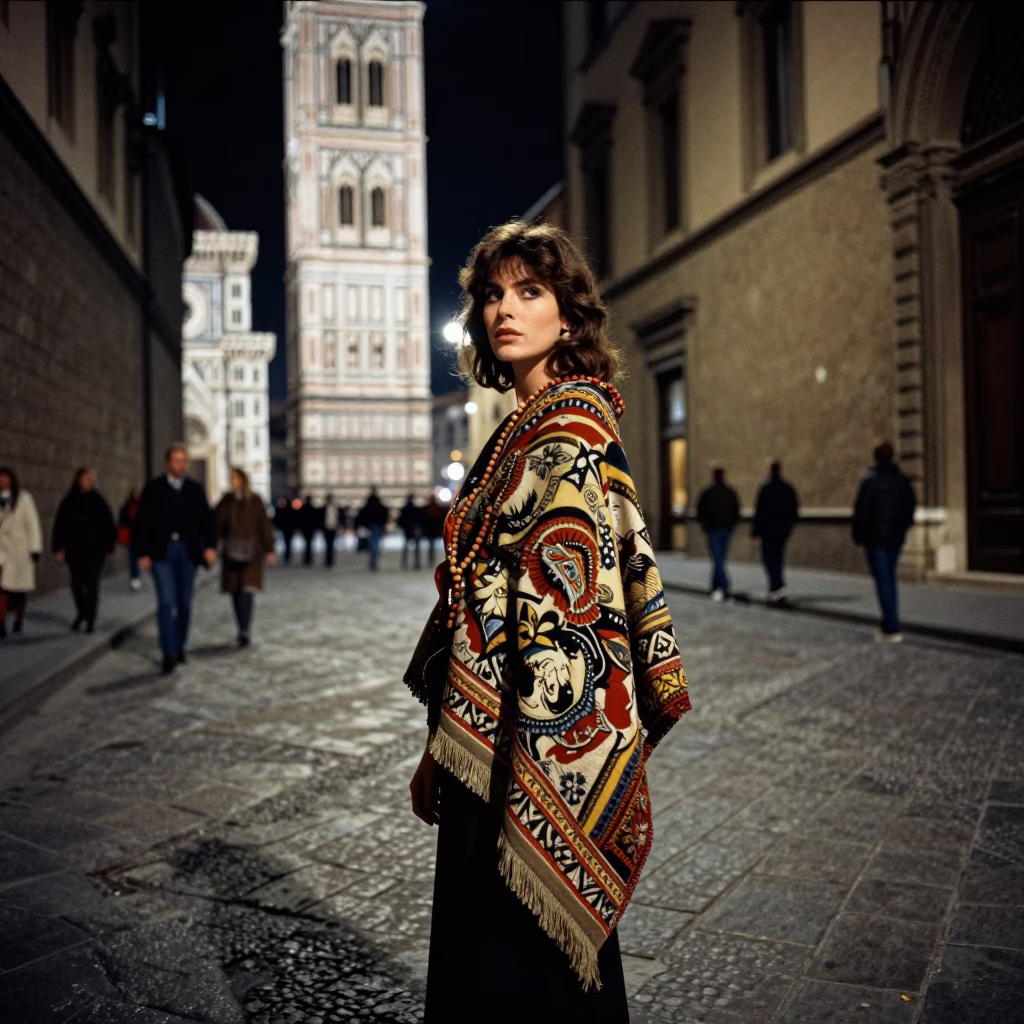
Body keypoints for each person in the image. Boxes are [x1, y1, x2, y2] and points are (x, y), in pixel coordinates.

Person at [404, 221, 691, 1022]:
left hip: (533, 742)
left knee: (523, 965)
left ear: (568, 315)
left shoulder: (569, 432)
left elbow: (576, 609)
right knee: (491, 958)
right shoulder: (521, 429)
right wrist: (440, 745)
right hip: (482, 735)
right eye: (494, 294)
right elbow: (479, 587)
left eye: (529, 291)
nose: (505, 309)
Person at [132, 444, 217, 674]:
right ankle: (168, 651)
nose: (180, 465)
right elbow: (142, 522)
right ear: (167, 463)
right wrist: (142, 553)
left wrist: (210, 547)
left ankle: (180, 644)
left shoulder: (195, 490)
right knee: (166, 601)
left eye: (183, 461)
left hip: (188, 552)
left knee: (184, 602)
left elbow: (207, 520)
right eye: (176, 460)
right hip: (162, 552)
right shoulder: (154, 489)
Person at [853, 441, 917, 642]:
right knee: (889, 577)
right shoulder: (902, 480)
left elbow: (862, 511)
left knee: (883, 580)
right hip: (895, 537)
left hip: (876, 538)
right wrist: (903, 528)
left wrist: (859, 535)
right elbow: (910, 506)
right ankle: (890, 621)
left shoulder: (870, 480)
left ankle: (891, 626)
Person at [215, 468, 276, 647]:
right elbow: (216, 523)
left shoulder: (255, 501)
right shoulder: (227, 501)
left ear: (242, 480)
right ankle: (241, 626)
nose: (232, 482)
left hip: (252, 553)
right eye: (231, 479)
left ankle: (245, 629)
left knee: (247, 590)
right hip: (231, 553)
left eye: (235, 478)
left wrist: (269, 549)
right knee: (235, 591)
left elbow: (264, 525)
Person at [51, 468, 117, 633]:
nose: (90, 482)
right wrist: (58, 548)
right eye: (87, 478)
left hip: (96, 550)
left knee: (92, 583)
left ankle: (90, 619)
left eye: (92, 479)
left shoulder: (99, 501)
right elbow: (60, 525)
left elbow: (109, 525)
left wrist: (110, 548)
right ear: (79, 480)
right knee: (77, 583)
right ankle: (82, 612)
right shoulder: (69, 501)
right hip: (75, 549)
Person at [0, 466, 42, 640]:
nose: (3, 481)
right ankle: (1, 623)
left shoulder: (24, 498)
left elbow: (32, 524)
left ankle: (18, 619)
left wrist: (35, 548)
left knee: (19, 591)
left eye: (6, 477)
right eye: (1, 477)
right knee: (2, 588)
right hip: (2, 551)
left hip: (20, 551)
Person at [751, 460, 800, 605]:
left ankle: (775, 586)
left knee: (769, 559)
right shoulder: (787, 488)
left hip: (768, 531)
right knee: (778, 557)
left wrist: (756, 531)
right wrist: (789, 525)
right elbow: (794, 508)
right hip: (781, 530)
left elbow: (759, 511)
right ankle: (777, 585)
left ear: (770, 470)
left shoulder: (765, 488)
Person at [696, 466, 741, 601]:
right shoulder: (729, 492)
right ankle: (716, 584)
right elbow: (736, 510)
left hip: (714, 530)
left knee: (717, 558)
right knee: (720, 557)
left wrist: (705, 526)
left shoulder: (708, 493)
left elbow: (700, 511)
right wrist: (731, 526)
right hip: (725, 529)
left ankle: (724, 585)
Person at [355, 488, 388, 571]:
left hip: (371, 525)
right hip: (375, 525)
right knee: (374, 543)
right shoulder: (377, 502)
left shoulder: (369, 502)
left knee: (373, 543)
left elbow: (362, 513)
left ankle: (372, 560)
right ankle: (373, 560)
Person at [118, 487, 143, 590]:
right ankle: (135, 577)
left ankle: (137, 576)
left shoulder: (142, 506)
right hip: (131, 537)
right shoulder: (127, 507)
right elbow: (122, 521)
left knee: (138, 557)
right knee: (133, 558)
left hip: (140, 536)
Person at [397, 493, 425, 570]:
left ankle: (405, 562)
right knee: (416, 547)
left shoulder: (404, 509)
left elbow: (400, 520)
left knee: (406, 546)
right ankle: (416, 562)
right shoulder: (415, 509)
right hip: (414, 529)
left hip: (407, 529)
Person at [422, 493, 446, 564]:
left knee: (431, 544)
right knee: (431, 544)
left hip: (431, 529)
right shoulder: (436, 508)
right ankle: (431, 558)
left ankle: (431, 558)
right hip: (433, 529)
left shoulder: (428, 508)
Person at [299, 495, 321, 567]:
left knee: (307, 544)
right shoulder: (312, 508)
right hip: (310, 529)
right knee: (309, 544)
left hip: (307, 529)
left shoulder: (304, 508)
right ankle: (308, 558)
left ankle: (307, 558)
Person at [322, 493, 341, 568]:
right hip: (326, 528)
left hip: (333, 528)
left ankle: (330, 560)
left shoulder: (334, 508)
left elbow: (337, 518)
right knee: (327, 545)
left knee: (331, 544)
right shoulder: (324, 508)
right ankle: (328, 560)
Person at [274, 497, 295, 565]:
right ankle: (285, 557)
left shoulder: (284, 510)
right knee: (285, 543)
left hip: (286, 529)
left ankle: (286, 557)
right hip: (285, 529)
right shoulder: (282, 510)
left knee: (286, 543)